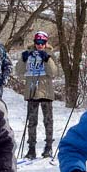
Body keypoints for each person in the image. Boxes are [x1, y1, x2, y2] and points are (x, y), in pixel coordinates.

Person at [16, 30, 58, 159]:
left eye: (42, 42)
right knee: (32, 121)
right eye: (37, 42)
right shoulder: (29, 54)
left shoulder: (50, 54)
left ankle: (48, 147)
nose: (40, 45)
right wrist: (23, 60)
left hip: (46, 91)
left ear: (46, 43)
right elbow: (19, 71)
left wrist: (47, 59)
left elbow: (54, 72)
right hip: (32, 91)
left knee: (48, 120)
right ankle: (31, 148)